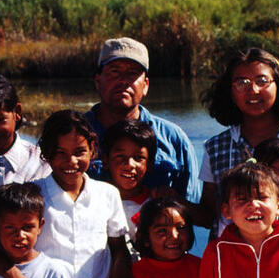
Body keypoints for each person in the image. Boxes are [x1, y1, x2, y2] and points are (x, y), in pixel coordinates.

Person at [0, 110, 132, 278]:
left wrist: (120, 270)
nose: (71, 162)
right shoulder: (31, 195)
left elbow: (118, 246)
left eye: (79, 152)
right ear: (46, 154)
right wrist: (14, 277)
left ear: (92, 149)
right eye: (60, 153)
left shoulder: (108, 194)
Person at [198, 48, 279, 236]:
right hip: (232, 258)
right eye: (242, 83)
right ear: (230, 91)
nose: (253, 90)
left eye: (262, 81)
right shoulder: (215, 147)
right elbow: (210, 213)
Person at [84, 37, 200, 202]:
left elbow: (192, 207)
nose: (123, 80)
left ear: (145, 85)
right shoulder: (72, 133)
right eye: (114, 72)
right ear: (97, 81)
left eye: (132, 73)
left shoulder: (173, 138)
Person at [101, 118, 156, 243]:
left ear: (150, 163)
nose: (129, 164)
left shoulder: (156, 206)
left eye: (138, 157)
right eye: (120, 156)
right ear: (105, 160)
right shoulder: (96, 203)